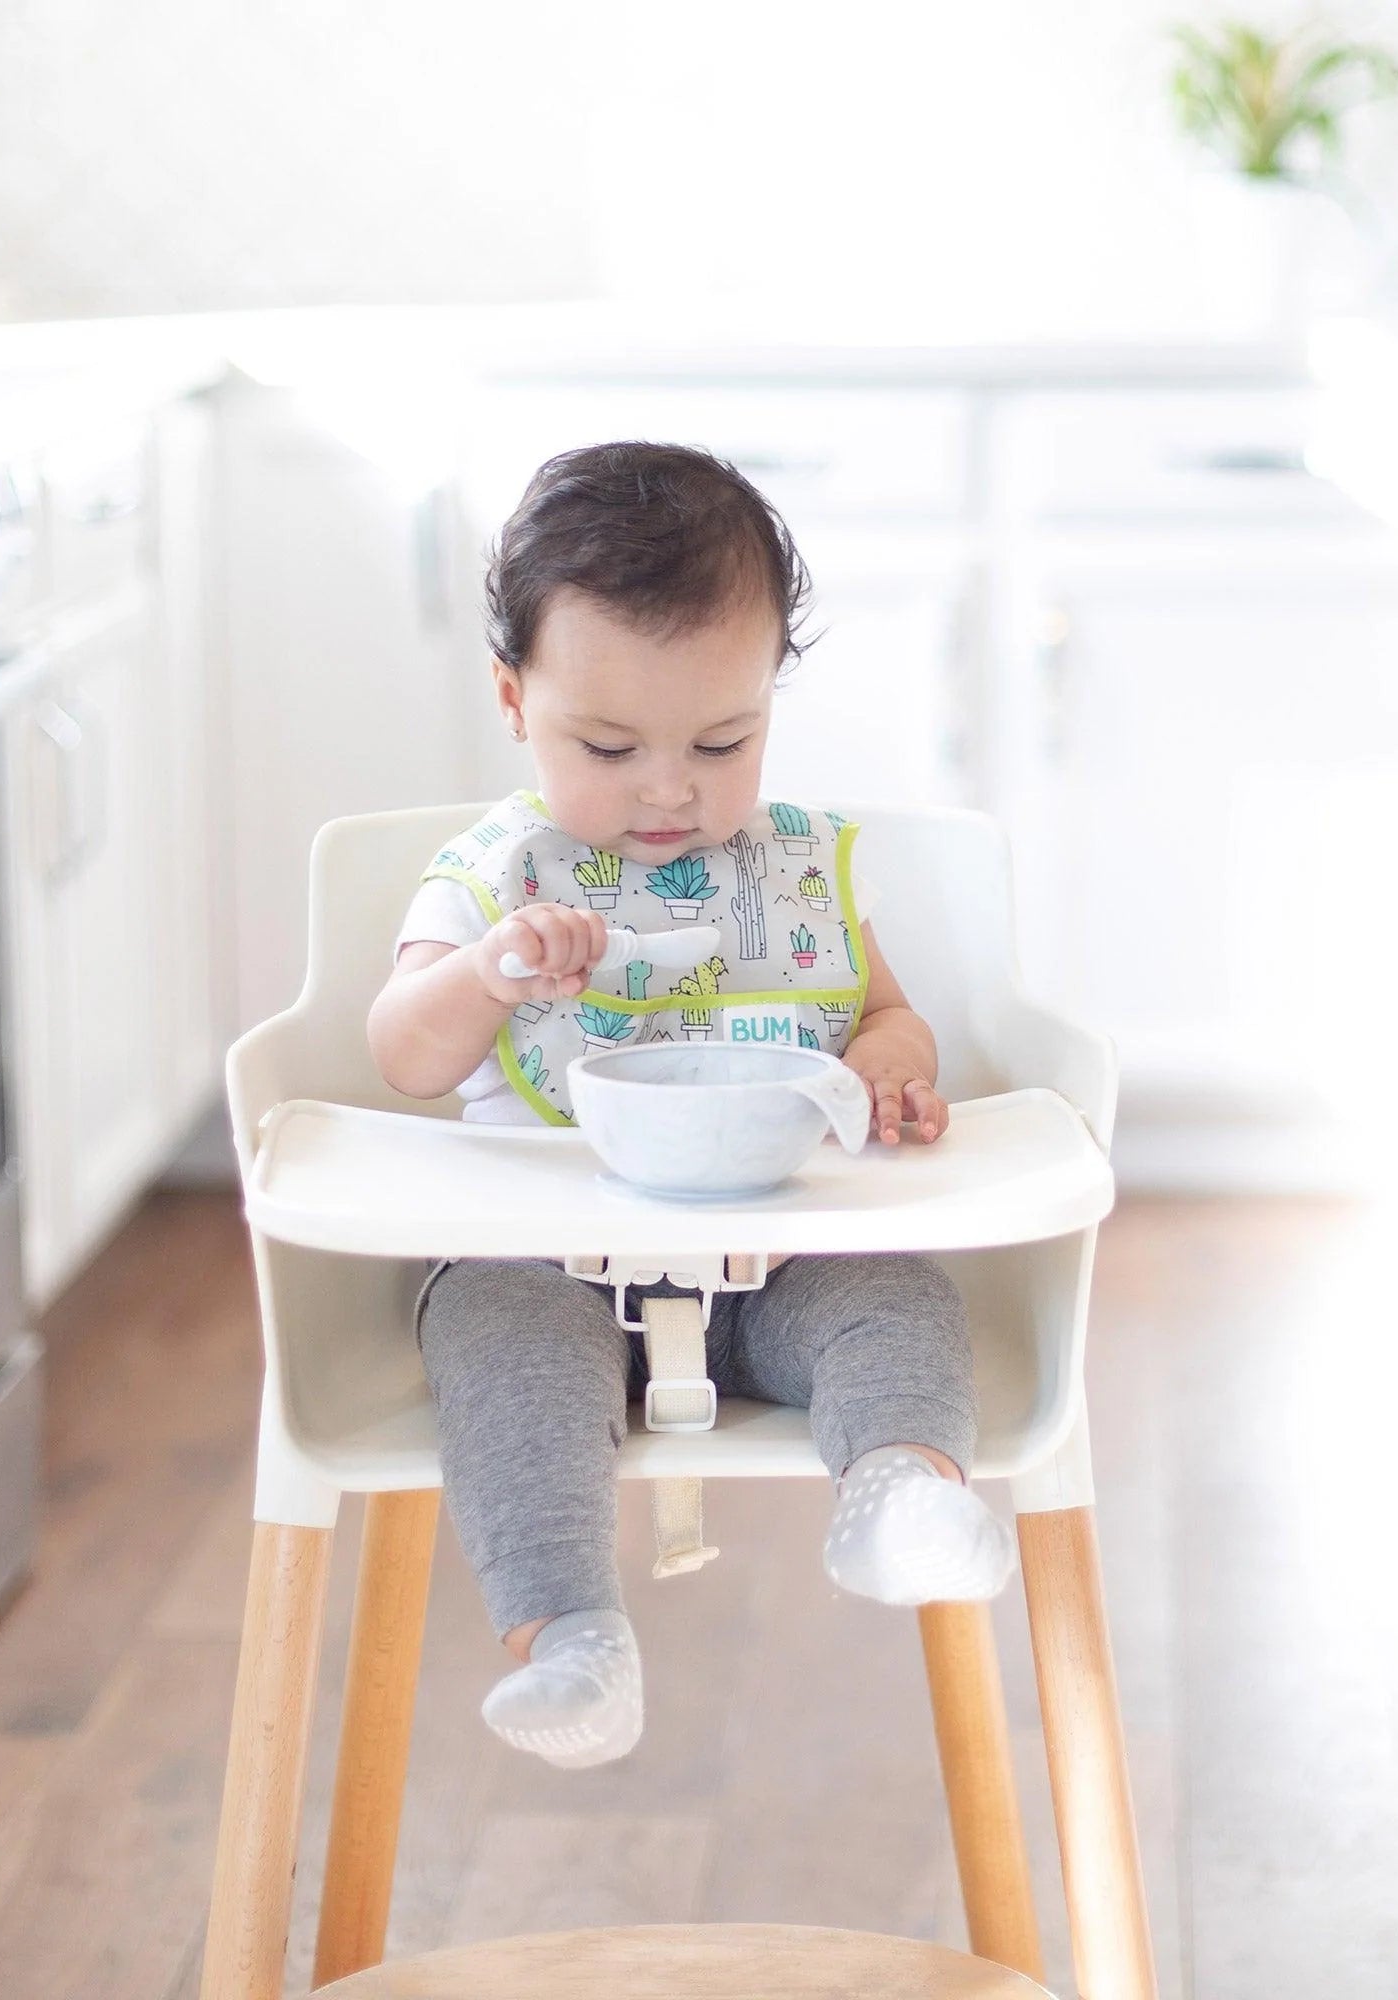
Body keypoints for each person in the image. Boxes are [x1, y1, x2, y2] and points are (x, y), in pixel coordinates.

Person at [366, 441, 1015, 1769]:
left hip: (781, 1261)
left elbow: (883, 1011)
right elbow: (403, 1060)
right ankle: (570, 1641)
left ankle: (900, 1489)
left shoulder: (787, 873)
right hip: (548, 1272)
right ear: (513, 698)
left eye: (722, 740)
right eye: (610, 745)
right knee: (502, 1356)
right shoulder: (491, 878)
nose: (671, 789)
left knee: (903, 1303)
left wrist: (896, 1064)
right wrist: (491, 974)